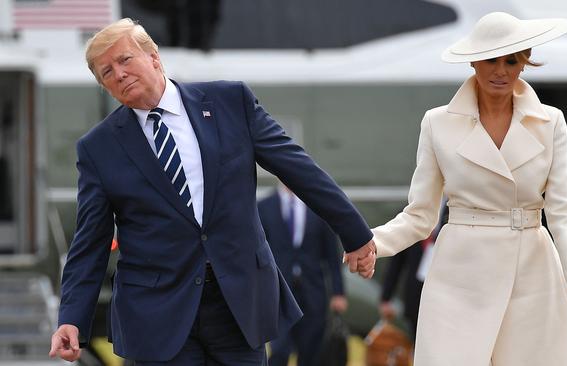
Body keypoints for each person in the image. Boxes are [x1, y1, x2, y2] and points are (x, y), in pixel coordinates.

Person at [48, 18, 376, 365]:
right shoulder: (99, 148)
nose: (118, 74)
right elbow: (90, 240)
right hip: (157, 313)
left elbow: (299, 169)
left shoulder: (229, 102)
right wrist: (72, 316)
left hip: (238, 304)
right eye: (106, 73)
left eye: (125, 60)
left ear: (154, 57)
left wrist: (354, 233)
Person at [369, 12, 567, 365]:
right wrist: (371, 242)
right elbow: (420, 214)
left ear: (524, 63)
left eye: (511, 60)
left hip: (533, 275)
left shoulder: (551, 121)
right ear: (473, 62)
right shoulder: (437, 123)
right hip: (460, 275)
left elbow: (564, 209)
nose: (501, 70)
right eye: (491, 59)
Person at [258, 184, 348, 366]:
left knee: (310, 351)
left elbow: (332, 255)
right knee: (279, 350)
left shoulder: (317, 207)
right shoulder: (264, 206)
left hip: (313, 292)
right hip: (279, 292)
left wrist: (339, 292)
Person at [379, 202, 448, 340]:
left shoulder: (457, 211)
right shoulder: (410, 212)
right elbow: (396, 261)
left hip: (445, 298)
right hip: (415, 295)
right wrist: (386, 297)